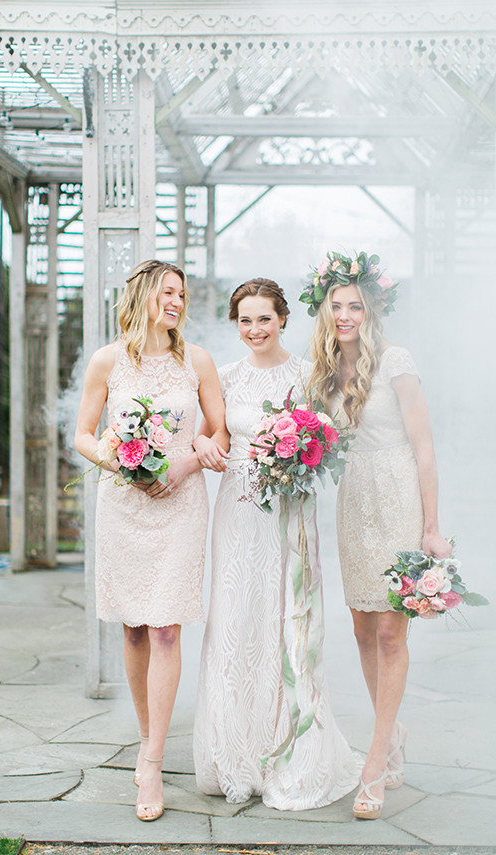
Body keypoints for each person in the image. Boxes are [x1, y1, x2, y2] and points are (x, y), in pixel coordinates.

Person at [192, 278, 361, 810]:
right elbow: (215, 433)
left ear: (283, 319)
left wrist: (303, 451)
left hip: (288, 515)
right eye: (244, 320)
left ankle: (290, 750)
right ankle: (235, 754)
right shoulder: (224, 375)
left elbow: (328, 437)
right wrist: (202, 443)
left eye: (264, 318)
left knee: (285, 619)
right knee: (236, 621)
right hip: (237, 512)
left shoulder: (307, 374)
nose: (254, 329)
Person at [74, 259, 228, 822]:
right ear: (142, 296)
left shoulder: (198, 361)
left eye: (182, 294)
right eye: (168, 292)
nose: (177, 302)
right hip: (123, 504)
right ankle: (145, 737)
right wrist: (116, 460)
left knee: (166, 626)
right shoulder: (108, 361)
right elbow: (84, 435)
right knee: (135, 626)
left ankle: (154, 759)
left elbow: (220, 428)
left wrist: (185, 465)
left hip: (180, 503)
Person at [305, 251, 452, 819]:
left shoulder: (397, 360)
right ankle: (392, 737)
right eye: (337, 305)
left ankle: (374, 757)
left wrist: (432, 525)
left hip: (397, 498)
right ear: (325, 311)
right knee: (364, 629)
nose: (346, 315)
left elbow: (425, 447)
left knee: (393, 632)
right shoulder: (322, 372)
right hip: (353, 500)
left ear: (371, 310)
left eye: (355, 306)